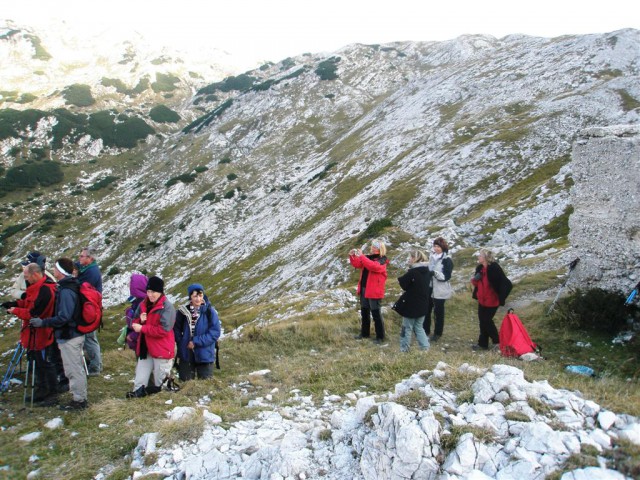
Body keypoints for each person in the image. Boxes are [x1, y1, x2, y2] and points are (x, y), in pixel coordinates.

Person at [29, 258, 88, 411]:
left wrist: (43, 322)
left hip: (70, 335)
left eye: (55, 268)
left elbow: (64, 317)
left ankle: (80, 400)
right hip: (71, 334)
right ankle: (78, 397)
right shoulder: (68, 286)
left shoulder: (67, 290)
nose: (53, 271)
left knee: (74, 369)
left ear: (61, 272)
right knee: (72, 369)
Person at [3, 263, 57, 404]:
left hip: (42, 333)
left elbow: (34, 313)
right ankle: (41, 390)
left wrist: (15, 311)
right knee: (37, 362)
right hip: (33, 333)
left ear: (34, 274)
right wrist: (13, 304)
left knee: (44, 363)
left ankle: (51, 393)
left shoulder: (45, 290)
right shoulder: (36, 287)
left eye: (27, 276)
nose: (25, 279)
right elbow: (28, 303)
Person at [127, 276, 176, 398]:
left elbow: (164, 330)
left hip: (161, 349)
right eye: (148, 291)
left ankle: (164, 405)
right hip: (145, 349)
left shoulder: (168, 307)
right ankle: (137, 402)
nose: (150, 294)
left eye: (153, 291)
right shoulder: (143, 304)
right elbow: (134, 321)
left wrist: (143, 328)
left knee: (162, 382)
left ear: (160, 291)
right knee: (139, 380)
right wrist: (139, 321)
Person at [174, 283, 221, 381]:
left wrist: (196, 341)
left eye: (200, 295)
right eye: (195, 296)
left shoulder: (209, 311)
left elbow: (215, 332)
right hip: (186, 353)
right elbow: (176, 328)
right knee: (185, 384)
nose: (198, 299)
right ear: (190, 296)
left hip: (205, 354)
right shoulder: (182, 312)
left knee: (205, 385)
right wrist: (181, 341)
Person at [349, 239, 389, 344]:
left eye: (374, 247)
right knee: (364, 312)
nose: (372, 248)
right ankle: (365, 333)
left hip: (374, 290)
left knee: (376, 314)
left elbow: (373, 266)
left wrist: (361, 256)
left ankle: (380, 337)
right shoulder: (368, 257)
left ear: (379, 249)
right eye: (372, 246)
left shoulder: (382, 260)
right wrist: (353, 256)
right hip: (364, 288)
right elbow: (357, 264)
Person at [470, 248, 510, 351]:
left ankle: (497, 342)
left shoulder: (494, 268)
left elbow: (506, 283)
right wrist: (475, 279)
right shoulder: (480, 268)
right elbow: (475, 283)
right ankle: (483, 344)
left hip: (492, 301)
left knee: (487, 321)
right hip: (482, 300)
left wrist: (501, 297)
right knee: (482, 321)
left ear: (486, 258)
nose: (478, 257)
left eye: (480, 255)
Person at [394, 250, 431, 352]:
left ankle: (404, 349)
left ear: (415, 259)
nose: (409, 259)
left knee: (406, 328)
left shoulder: (413, 272)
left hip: (411, 305)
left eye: (411, 257)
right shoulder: (426, 271)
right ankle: (425, 347)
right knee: (419, 327)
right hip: (423, 303)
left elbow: (404, 285)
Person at [77, 247, 102, 376]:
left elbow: (81, 287)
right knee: (89, 338)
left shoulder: (91, 272)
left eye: (82, 256)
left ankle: (95, 367)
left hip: (90, 310)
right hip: (89, 308)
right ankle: (95, 364)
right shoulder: (88, 269)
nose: (79, 258)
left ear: (90, 258)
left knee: (89, 338)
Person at [425, 237, 454, 342]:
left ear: (443, 247)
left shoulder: (447, 260)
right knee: (427, 309)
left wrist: (435, 274)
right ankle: (425, 330)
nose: (436, 248)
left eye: (438, 246)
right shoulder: (432, 257)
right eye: (435, 246)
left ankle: (437, 333)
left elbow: (446, 276)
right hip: (430, 287)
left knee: (438, 312)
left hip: (440, 289)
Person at [123, 273, 148, 351]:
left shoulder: (143, 303)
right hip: (137, 342)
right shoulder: (137, 301)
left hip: (141, 342)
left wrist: (132, 336)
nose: (129, 286)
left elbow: (146, 324)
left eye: (131, 284)